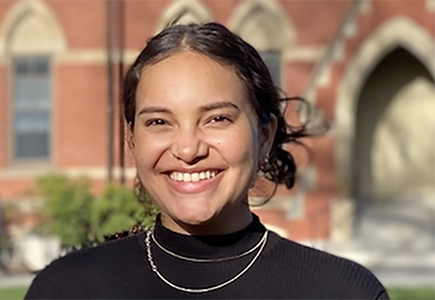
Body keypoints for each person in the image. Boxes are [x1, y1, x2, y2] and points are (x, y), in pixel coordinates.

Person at [24, 22, 389, 299]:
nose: (187, 149)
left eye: (217, 119)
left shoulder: (342, 292)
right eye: (159, 122)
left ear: (264, 136)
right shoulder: (66, 289)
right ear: (132, 142)